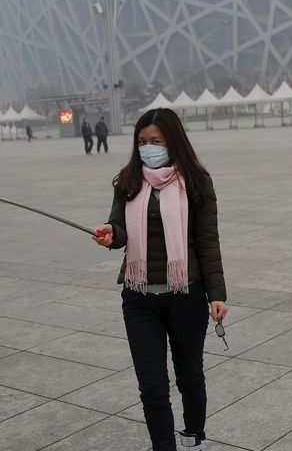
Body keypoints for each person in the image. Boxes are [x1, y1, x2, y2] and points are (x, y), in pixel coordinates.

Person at [93, 108, 227, 451]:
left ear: (173, 142)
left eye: (156, 141)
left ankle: (194, 436)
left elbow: (207, 240)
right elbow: (119, 228)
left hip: (186, 294)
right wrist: (111, 234)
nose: (148, 148)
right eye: (142, 141)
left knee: (188, 375)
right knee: (151, 385)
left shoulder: (196, 181)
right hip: (139, 297)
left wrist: (217, 294)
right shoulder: (128, 180)